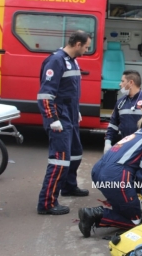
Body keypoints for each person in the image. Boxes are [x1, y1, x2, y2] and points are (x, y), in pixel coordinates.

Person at [78, 106, 142, 238]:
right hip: (117, 177)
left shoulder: (132, 137)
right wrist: (138, 188)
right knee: (135, 221)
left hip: (98, 172)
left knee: (124, 206)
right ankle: (95, 214)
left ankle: (103, 214)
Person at [36, 30, 91, 215]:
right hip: (60, 117)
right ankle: (47, 203)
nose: (87, 50)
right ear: (77, 44)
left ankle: (69, 186)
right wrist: (52, 119)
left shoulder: (72, 60)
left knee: (75, 154)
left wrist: (77, 111)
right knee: (59, 161)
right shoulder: (56, 61)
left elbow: (69, 91)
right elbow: (45, 95)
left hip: (71, 115)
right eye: (86, 46)